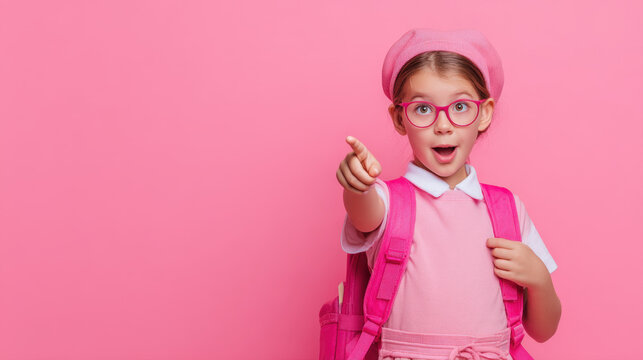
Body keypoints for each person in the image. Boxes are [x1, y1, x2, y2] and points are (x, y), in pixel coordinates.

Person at [335, 29, 561, 360]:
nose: (444, 125)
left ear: (483, 114)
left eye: (460, 106)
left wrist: (540, 280)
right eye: (423, 109)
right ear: (400, 118)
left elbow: (543, 330)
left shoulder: (506, 209)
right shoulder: (387, 200)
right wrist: (358, 185)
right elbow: (364, 212)